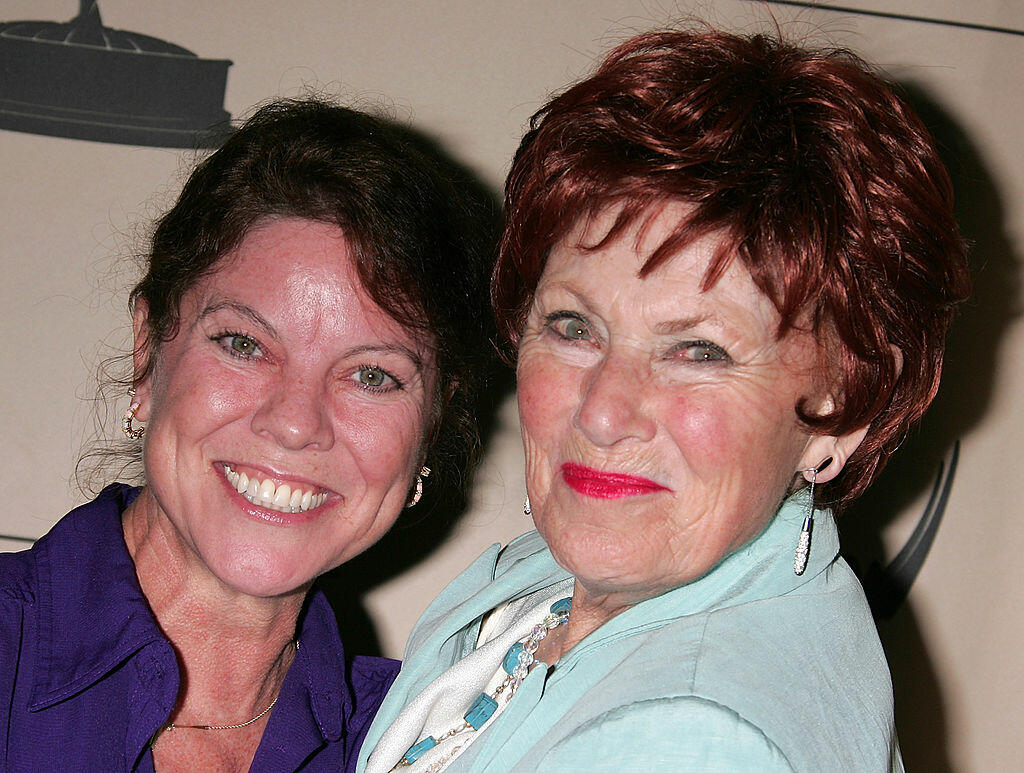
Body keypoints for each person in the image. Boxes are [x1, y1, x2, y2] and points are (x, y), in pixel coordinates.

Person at [357, 28, 970, 772]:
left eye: (697, 351)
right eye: (573, 326)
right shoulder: (563, 581)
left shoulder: (686, 740)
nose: (603, 411)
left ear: (843, 408)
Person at [0, 98, 492, 772]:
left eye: (373, 375)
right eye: (243, 342)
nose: (294, 423)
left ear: (432, 426)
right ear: (149, 350)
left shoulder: (436, 748)